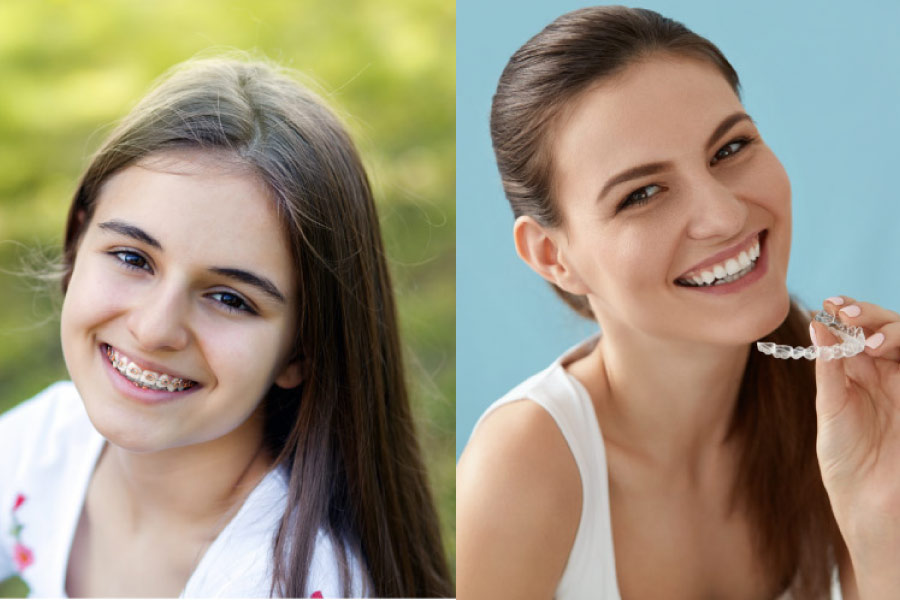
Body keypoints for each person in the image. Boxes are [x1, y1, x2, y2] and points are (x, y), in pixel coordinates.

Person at [457, 6, 900, 599]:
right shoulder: (524, 467)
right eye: (642, 193)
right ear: (551, 255)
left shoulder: (845, 423)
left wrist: (881, 521)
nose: (724, 215)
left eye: (730, 148)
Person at [0, 56, 452, 598]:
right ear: (79, 239)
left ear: (301, 351)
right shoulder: (47, 442)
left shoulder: (293, 583)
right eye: (133, 258)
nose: (154, 328)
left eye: (229, 298)